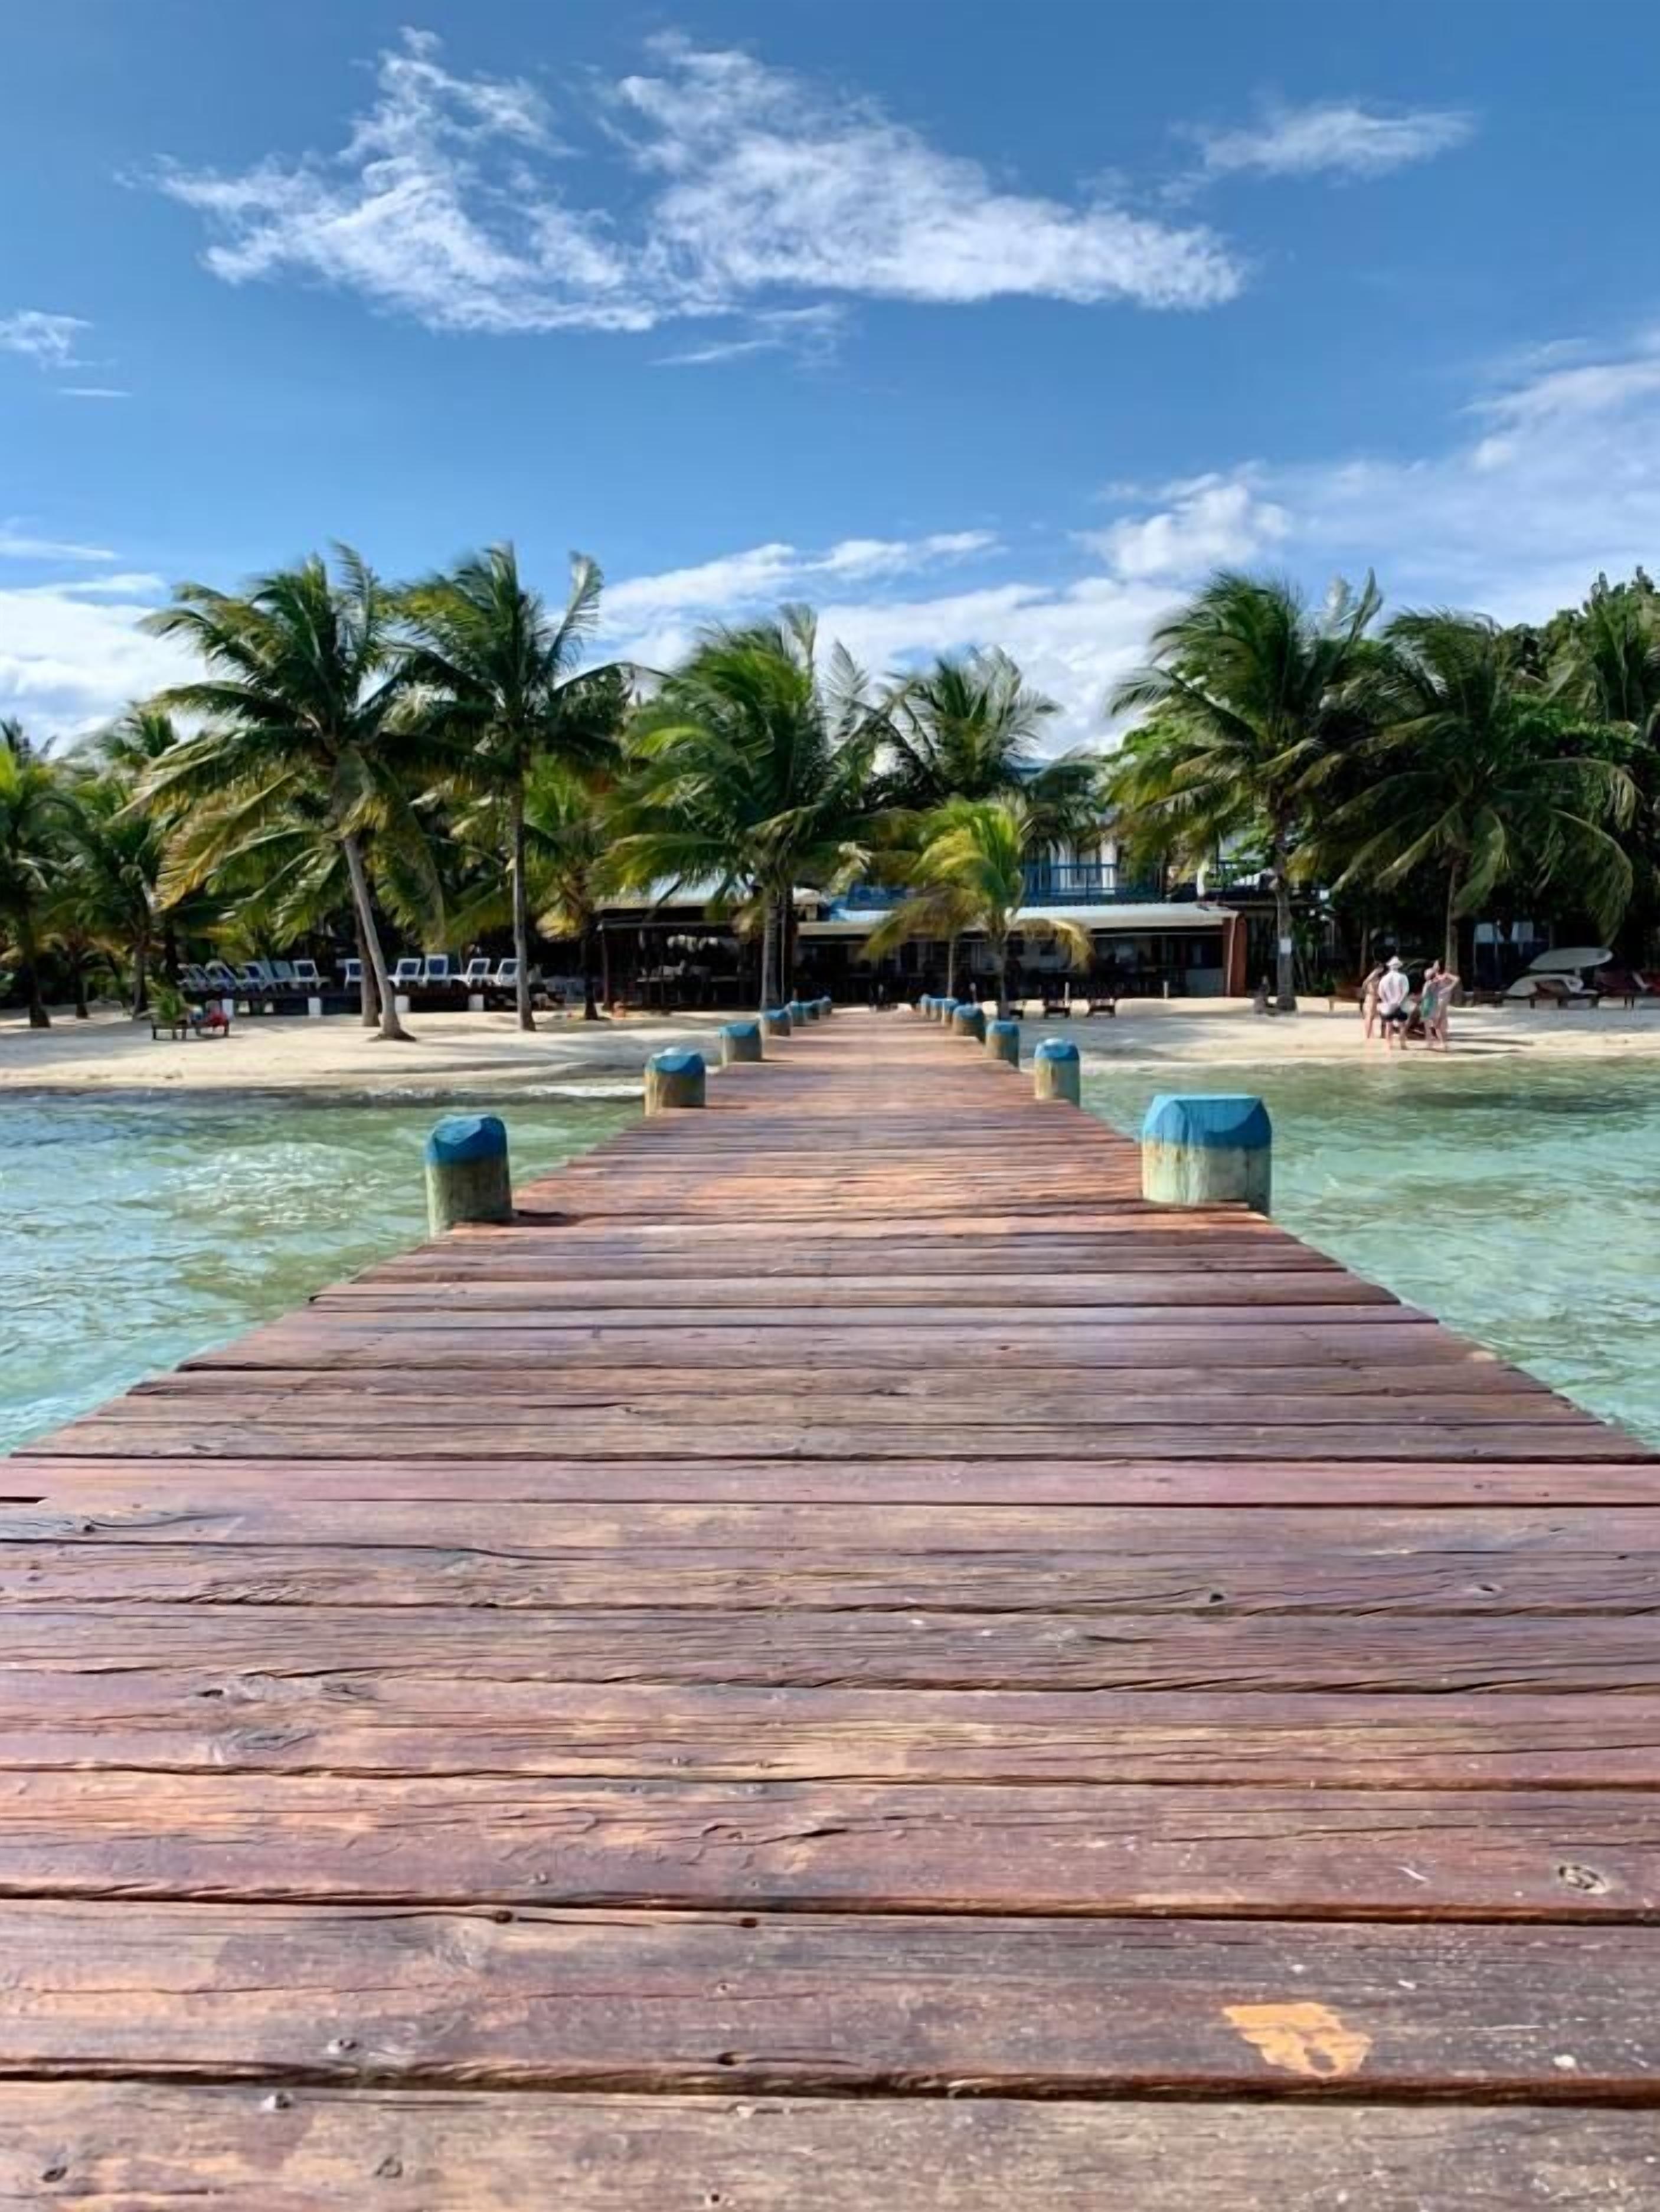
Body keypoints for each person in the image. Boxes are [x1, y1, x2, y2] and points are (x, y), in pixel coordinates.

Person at [1377, 955, 1410, 1048]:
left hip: (1388, 1006)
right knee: (1402, 1026)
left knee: (1389, 1025)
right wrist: (1399, 1002)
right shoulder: (1403, 977)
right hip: (1401, 1006)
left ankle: (1389, 1045)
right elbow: (1405, 991)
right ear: (1399, 966)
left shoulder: (1384, 978)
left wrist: (1387, 1001)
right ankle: (1403, 1045)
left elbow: (1380, 993)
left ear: (1389, 966)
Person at [1360, 961, 1385, 1042]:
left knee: (1371, 1016)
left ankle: (1370, 1033)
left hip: (1373, 997)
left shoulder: (1376, 977)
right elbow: (1366, 982)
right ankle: (1368, 1035)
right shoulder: (1373, 975)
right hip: (1372, 997)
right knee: (1370, 1016)